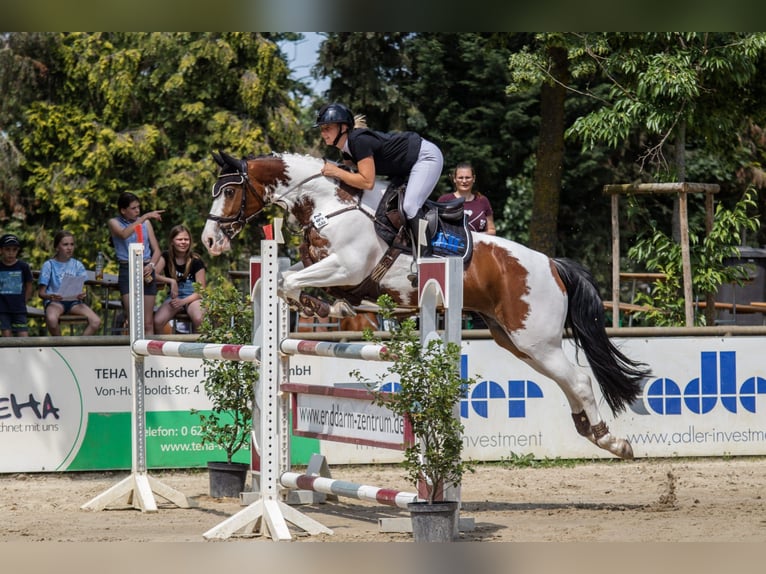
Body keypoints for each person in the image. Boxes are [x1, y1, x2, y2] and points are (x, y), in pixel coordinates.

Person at [314, 102, 444, 251]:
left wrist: (337, 171)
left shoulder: (359, 141)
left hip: (425, 157)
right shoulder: (346, 151)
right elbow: (352, 178)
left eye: (327, 128)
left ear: (343, 127)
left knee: (410, 206)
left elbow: (368, 182)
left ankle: (426, 255)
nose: (323, 133)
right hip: (405, 168)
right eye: (322, 129)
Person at [107, 192, 164, 335]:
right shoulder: (114, 222)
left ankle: (150, 353)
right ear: (123, 210)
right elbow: (123, 234)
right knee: (133, 319)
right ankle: (133, 351)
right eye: (133, 208)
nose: (137, 211)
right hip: (127, 267)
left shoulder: (146, 223)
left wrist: (151, 265)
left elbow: (157, 250)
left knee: (147, 321)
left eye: (138, 207)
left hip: (146, 267)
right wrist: (144, 217)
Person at [37, 230, 102, 336]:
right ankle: (61, 345)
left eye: (72, 244)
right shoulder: (49, 265)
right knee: (52, 320)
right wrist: (51, 296)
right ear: (57, 247)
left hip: (74, 302)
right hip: (55, 302)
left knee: (96, 321)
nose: (69, 248)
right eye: (65, 244)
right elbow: (41, 293)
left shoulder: (78, 265)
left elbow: (81, 287)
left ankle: (78, 346)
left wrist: (82, 294)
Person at [153, 224, 207, 334]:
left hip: (193, 298)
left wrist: (182, 302)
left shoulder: (196, 261)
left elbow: (201, 291)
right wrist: (171, 281)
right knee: (157, 321)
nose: (183, 242)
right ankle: (162, 348)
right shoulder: (166, 256)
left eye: (186, 239)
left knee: (199, 318)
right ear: (172, 241)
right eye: (179, 239)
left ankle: (198, 347)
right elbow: (153, 274)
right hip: (174, 299)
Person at [438, 162, 496, 235]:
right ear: (454, 179)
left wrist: (475, 237)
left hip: (478, 245)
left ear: (473, 178)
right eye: (460, 178)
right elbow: (436, 227)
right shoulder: (445, 200)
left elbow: (492, 230)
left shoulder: (483, 201)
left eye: (468, 177)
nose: (464, 181)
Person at [0, 233, 34, 337]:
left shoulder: (23, 266)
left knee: (23, 336)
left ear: (18, 251)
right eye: (7, 249)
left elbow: (29, 285)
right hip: (2, 309)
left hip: (19, 309)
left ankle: (25, 354)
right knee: (6, 336)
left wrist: (24, 300)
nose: (11, 253)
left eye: (14, 250)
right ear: (1, 250)